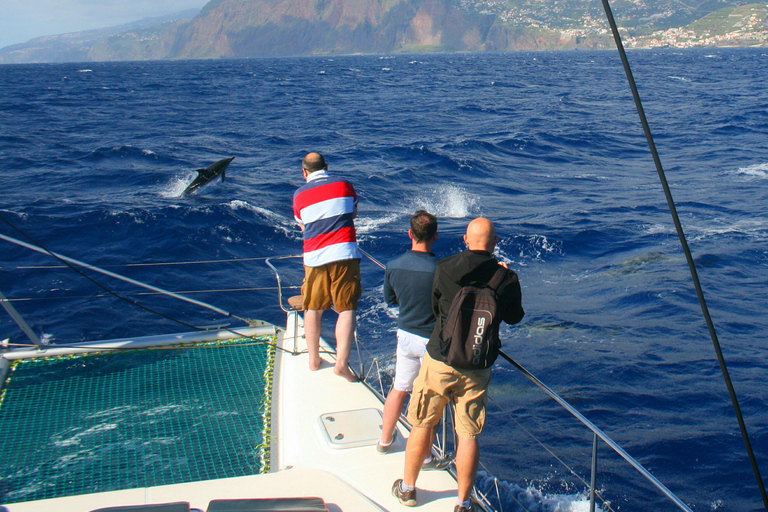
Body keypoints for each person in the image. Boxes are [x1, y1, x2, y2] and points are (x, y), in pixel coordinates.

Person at [392, 218, 524, 512]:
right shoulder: (507, 278)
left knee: (422, 424)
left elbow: (436, 307)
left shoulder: (445, 267)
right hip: (477, 365)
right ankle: (462, 504)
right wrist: (503, 279)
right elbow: (515, 317)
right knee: (468, 435)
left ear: (466, 239)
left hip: (440, 358)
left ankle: (409, 489)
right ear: (495, 243)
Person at [378, 210, 444, 468]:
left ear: (410, 234)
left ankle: (385, 440)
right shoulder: (440, 270)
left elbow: (391, 300)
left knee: (399, 388)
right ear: (435, 236)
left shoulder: (393, 265)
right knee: (426, 398)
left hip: (405, 335)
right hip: (430, 342)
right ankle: (425, 456)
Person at [292, 152, 361, 382]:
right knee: (346, 308)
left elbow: (303, 225)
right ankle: (341, 364)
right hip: (344, 254)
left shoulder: (299, 195)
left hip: (314, 258)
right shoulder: (344, 185)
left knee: (313, 308)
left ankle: (313, 360)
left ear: (304, 172)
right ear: (327, 167)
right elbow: (352, 213)